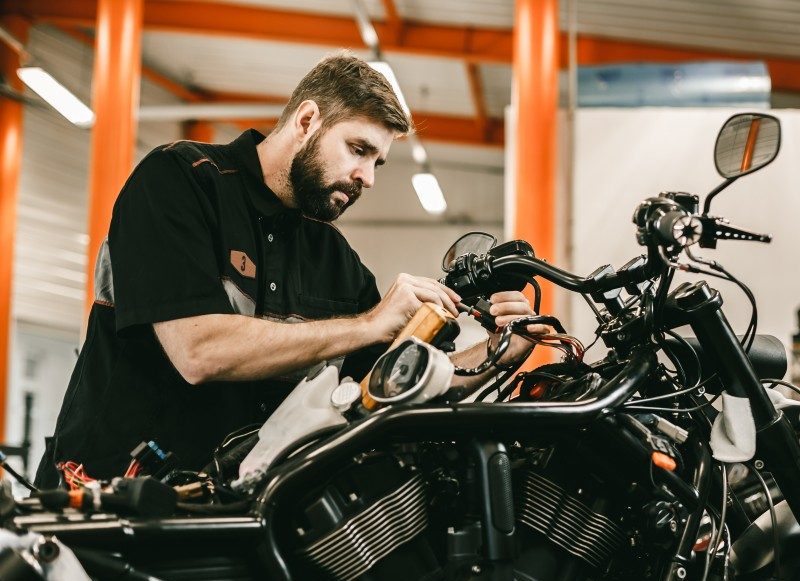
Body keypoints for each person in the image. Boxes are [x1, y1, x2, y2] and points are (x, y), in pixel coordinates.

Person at [34, 52, 538, 488]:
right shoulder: (179, 182)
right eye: (358, 150)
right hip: (114, 505)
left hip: (244, 513)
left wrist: (501, 351)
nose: (367, 177)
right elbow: (197, 351)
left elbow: (394, 390)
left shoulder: (334, 260)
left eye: (378, 162)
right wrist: (368, 324)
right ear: (306, 121)